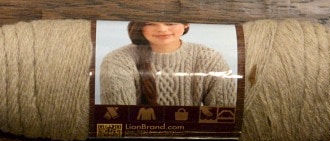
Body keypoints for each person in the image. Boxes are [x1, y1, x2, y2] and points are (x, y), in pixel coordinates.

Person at [100, 22, 236, 107]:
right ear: (140, 26)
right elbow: (119, 119)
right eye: (150, 23)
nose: (162, 29)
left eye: (170, 23)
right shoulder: (117, 60)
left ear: (186, 23)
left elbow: (225, 116)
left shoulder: (210, 59)